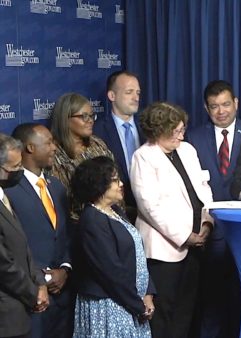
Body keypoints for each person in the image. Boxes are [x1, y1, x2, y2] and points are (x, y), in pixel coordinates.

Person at [130, 102, 214, 338]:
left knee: (187, 310)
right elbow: (149, 206)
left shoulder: (187, 150)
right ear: (158, 131)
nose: (181, 135)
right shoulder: (143, 157)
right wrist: (184, 236)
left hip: (197, 245)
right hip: (164, 250)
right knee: (164, 313)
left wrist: (207, 221)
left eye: (182, 129)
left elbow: (203, 188)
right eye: (175, 131)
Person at [187, 80, 241, 338]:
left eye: (226, 104)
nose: (221, 111)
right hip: (210, 231)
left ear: (236, 103)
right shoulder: (192, 138)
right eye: (214, 106)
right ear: (206, 109)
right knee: (211, 301)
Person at [71, 156, 154, 338]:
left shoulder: (115, 211)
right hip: (110, 305)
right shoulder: (92, 220)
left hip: (130, 302)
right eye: (115, 180)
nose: (121, 184)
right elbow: (110, 271)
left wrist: (148, 293)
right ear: (98, 184)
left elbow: (137, 255)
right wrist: (137, 305)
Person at [5, 123, 73, 338]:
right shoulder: (9, 190)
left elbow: (67, 235)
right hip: (31, 297)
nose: (54, 147)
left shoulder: (57, 186)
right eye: (49, 143)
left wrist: (65, 268)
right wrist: (39, 281)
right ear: (30, 148)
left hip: (63, 295)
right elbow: (10, 245)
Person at [0, 133, 49, 338]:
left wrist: (40, 283)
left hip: (20, 313)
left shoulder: (4, 195)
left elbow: (22, 245)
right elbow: (3, 264)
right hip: (6, 316)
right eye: (14, 168)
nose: (20, 172)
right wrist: (33, 293)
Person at [49, 92, 114, 220]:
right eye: (84, 116)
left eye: (91, 116)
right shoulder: (55, 154)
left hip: (111, 215)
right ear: (65, 119)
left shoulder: (97, 143)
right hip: (80, 224)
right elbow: (64, 200)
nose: (90, 120)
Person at [93, 71, 144, 221]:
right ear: (112, 96)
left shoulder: (149, 128)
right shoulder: (97, 131)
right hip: (115, 212)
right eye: (129, 92)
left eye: (138, 93)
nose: (136, 98)